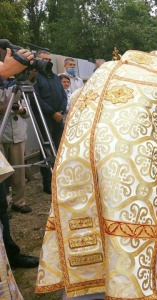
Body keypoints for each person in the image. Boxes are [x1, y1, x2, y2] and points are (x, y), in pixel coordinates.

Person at [35, 50, 157, 300]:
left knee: (86, 220)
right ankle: (127, 290)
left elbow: (77, 100)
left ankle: (88, 288)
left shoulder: (104, 71)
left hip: (74, 162)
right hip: (126, 170)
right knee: (129, 228)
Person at [0, 45, 39, 271]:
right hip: (2, 132)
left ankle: (18, 203)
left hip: (16, 131)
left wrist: (18, 108)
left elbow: (25, 108)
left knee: (17, 172)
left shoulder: (16, 84)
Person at [33, 50, 68, 194]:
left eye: (49, 59)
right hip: (45, 118)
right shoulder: (35, 77)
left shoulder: (55, 77)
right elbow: (36, 99)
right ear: (37, 60)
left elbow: (63, 95)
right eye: (44, 59)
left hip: (58, 118)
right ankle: (48, 183)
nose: (48, 62)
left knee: (59, 148)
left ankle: (59, 179)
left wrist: (60, 112)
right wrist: (52, 113)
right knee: (47, 150)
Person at [0, 80, 31, 213]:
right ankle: (3, 205)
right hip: (2, 136)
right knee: (2, 173)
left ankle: (19, 202)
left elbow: (28, 112)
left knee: (19, 173)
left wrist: (21, 109)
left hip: (17, 136)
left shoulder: (20, 88)